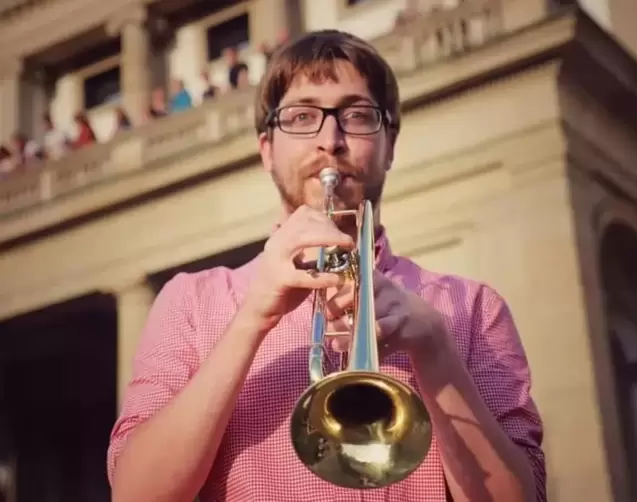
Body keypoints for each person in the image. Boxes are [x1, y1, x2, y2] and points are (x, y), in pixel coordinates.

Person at [107, 29, 546, 502]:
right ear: (267, 150)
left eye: (357, 115)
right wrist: (252, 317)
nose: (329, 140)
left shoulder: (475, 308)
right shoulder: (191, 300)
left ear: (390, 144)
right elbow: (136, 494)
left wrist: (437, 351)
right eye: (302, 116)